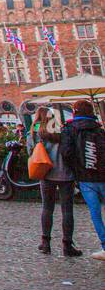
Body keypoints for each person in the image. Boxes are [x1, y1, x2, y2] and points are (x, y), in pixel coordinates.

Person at [59, 100, 105, 261]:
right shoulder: (98, 128)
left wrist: (76, 169)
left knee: (95, 213)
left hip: (85, 177)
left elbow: (66, 153)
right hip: (102, 174)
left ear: (75, 112)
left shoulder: (69, 129)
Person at [29, 106, 78, 257]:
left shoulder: (34, 134)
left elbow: (30, 153)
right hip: (66, 174)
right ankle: (67, 244)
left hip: (46, 174)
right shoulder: (62, 132)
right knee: (67, 210)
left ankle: (45, 243)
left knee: (47, 208)